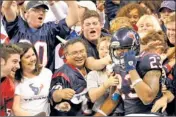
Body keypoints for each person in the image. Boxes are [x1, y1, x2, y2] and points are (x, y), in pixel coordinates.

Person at [100, 27, 164, 116]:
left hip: (151, 113)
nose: (119, 52)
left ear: (134, 48)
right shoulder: (117, 66)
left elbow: (147, 98)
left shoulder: (149, 59)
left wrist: (131, 68)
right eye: (116, 49)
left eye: (123, 48)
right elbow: (114, 98)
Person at [2, 1, 79, 72]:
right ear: (26, 14)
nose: (41, 13)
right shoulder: (17, 26)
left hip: (43, 79)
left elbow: (74, 19)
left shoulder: (50, 29)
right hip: (18, 76)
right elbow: (6, 6)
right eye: (36, 10)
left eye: (43, 11)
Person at [49, 39, 91, 116]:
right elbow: (53, 95)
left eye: (82, 51)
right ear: (66, 55)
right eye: (74, 53)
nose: (79, 55)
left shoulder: (90, 67)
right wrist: (60, 93)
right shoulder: (62, 74)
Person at [12, 43, 52, 116]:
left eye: (33, 55)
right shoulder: (15, 79)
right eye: (27, 57)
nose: (33, 59)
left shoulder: (47, 73)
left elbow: (52, 96)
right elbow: (16, 109)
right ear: (19, 61)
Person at [87, 36, 120, 115]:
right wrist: (107, 84)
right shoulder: (93, 74)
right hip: (99, 112)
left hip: (119, 112)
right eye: (101, 49)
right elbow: (93, 97)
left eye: (108, 48)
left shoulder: (121, 71)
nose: (105, 51)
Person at [0, 44, 22, 116]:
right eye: (14, 61)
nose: (18, 66)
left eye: (18, 62)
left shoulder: (10, 86)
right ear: (1, 61)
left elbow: (6, 113)